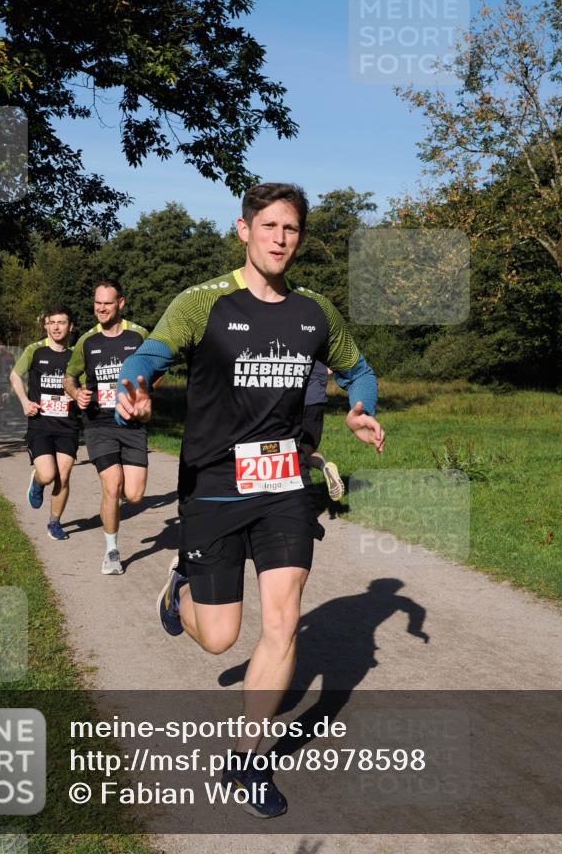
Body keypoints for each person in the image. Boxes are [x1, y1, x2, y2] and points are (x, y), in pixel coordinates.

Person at [116, 182, 384, 818]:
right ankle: (178, 587)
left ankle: (248, 762)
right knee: (218, 638)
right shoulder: (203, 302)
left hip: (285, 483)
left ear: (300, 238)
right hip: (213, 484)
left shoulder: (315, 311)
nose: (279, 238)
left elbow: (360, 369)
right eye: (268, 225)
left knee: (284, 620)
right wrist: (134, 385)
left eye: (290, 228)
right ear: (244, 230)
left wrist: (361, 407)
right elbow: (148, 355)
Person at [63, 281, 149, 574]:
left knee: (135, 494)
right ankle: (112, 552)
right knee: (112, 486)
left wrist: (145, 393)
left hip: (132, 423)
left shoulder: (139, 336)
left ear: (120, 303)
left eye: (107, 303)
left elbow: (158, 368)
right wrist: (76, 393)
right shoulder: (87, 341)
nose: (101, 308)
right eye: (97, 303)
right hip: (99, 423)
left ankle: (117, 501)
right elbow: (69, 377)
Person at [10, 306, 79, 541]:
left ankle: (54, 523)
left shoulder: (77, 354)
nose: (57, 327)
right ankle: (38, 482)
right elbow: (14, 375)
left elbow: (88, 383)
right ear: (46, 326)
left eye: (62, 322)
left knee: (64, 475)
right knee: (48, 474)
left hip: (68, 425)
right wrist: (24, 402)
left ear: (71, 326)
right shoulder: (35, 351)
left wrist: (78, 394)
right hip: (40, 424)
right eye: (52, 322)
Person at [300, 361, 345, 501]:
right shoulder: (321, 344)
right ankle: (325, 467)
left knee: (294, 450)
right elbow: (333, 367)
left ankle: (303, 493)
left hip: (296, 401)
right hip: (316, 401)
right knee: (309, 448)